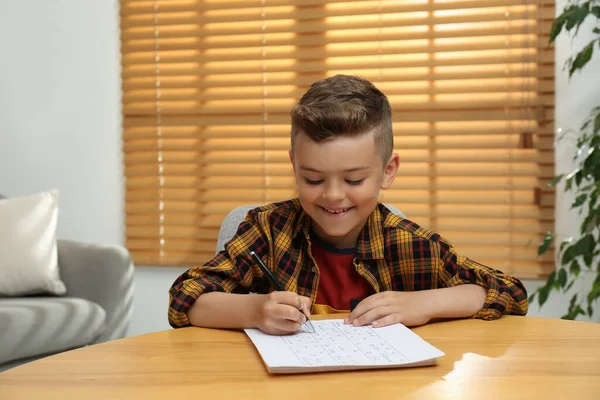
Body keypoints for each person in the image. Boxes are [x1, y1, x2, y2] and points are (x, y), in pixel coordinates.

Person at [168, 74, 528, 335]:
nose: (333, 195)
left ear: (388, 172)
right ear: (295, 167)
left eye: (354, 180)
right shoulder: (267, 229)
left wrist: (422, 304)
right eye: (313, 179)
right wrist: (255, 309)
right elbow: (185, 299)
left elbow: (509, 292)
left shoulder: (410, 244)